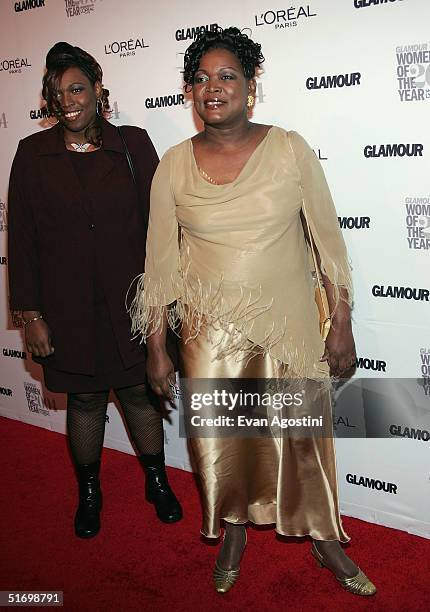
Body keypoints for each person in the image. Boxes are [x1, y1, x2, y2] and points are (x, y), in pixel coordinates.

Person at [129, 27, 375, 596]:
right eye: (201, 79)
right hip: (209, 332)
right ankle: (233, 529)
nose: (212, 88)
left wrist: (341, 324)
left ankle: (324, 538)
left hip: (287, 324)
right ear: (191, 93)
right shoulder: (171, 165)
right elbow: (161, 262)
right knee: (224, 440)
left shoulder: (289, 147)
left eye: (226, 76)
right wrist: (158, 347)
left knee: (301, 436)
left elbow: (328, 243)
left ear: (250, 86)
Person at [8, 42, 182, 539]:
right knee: (84, 400)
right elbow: (20, 238)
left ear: (98, 90)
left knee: (138, 396)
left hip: (130, 305)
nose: (67, 100)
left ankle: (156, 478)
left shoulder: (132, 144)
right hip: (67, 310)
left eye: (78, 88)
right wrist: (30, 313)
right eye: (57, 91)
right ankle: (89, 490)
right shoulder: (32, 153)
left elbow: (160, 229)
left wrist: (163, 308)